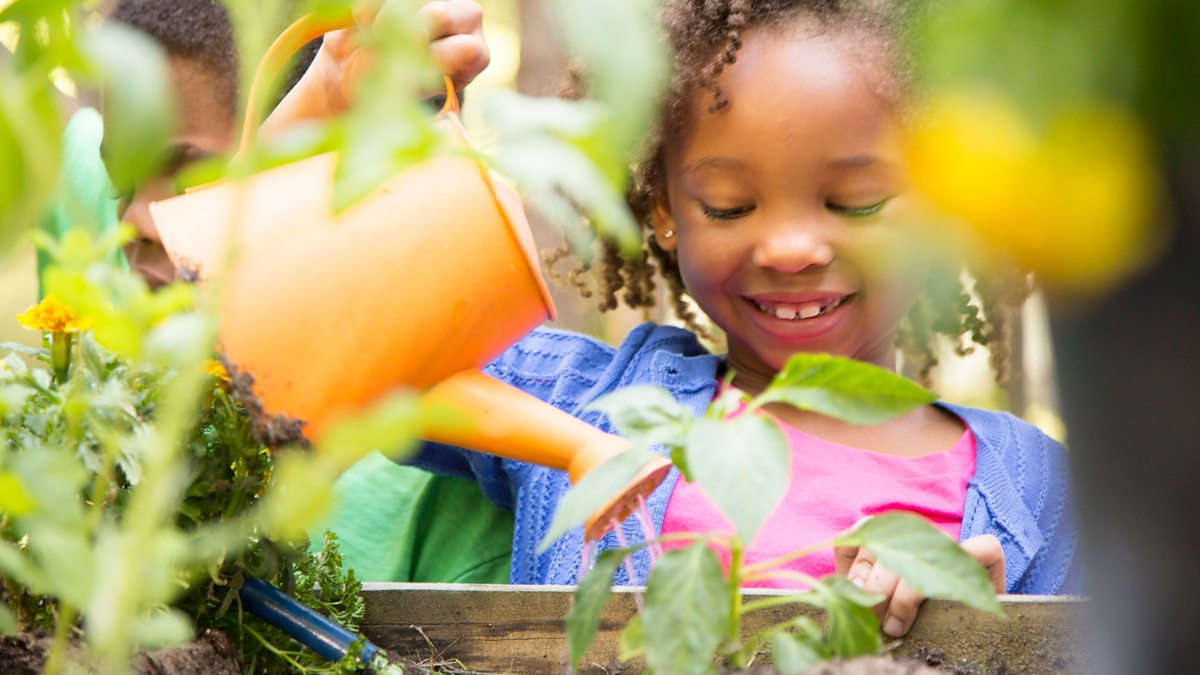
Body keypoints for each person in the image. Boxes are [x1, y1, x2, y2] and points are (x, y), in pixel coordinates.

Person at [376, 0, 1077, 639]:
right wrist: (381, 112)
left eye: (858, 202)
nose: (791, 249)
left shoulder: (1036, 489)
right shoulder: (582, 405)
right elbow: (379, 348)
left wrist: (980, 624)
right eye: (729, 206)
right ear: (663, 211)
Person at [82, 0, 516, 584]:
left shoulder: (447, 489)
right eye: (121, 184)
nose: (135, 219)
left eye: (193, 177)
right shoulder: (125, 438)